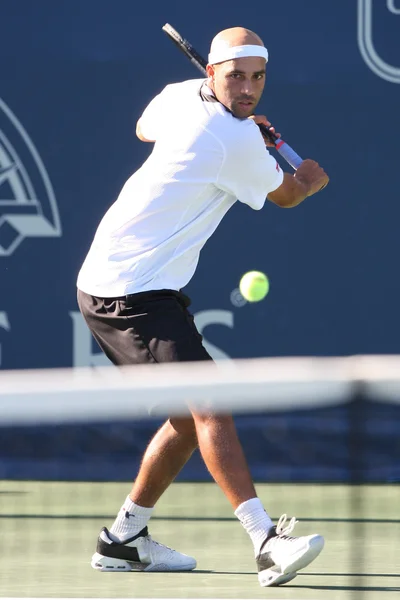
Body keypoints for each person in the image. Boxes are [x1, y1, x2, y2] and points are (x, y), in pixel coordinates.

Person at [76, 26, 329, 587]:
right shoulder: (230, 140)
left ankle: (123, 538)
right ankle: (266, 541)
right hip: (127, 288)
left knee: (190, 420)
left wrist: (233, 126)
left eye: (257, 77)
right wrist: (307, 179)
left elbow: (145, 128)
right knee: (211, 404)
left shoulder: (179, 96)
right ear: (211, 71)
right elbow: (285, 195)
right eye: (235, 76)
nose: (247, 88)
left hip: (139, 280)